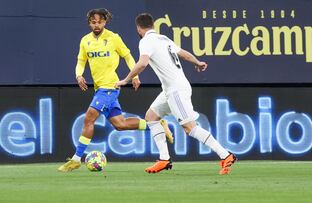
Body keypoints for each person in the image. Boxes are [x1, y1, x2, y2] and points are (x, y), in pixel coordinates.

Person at [116, 13, 237, 175]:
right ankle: (164, 159)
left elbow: (143, 63)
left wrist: (126, 79)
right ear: (153, 25)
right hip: (171, 89)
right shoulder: (163, 38)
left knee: (189, 128)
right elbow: (184, 54)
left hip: (176, 91)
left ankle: (226, 155)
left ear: (138, 28)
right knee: (151, 117)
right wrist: (197, 62)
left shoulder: (145, 41)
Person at [58, 9, 173, 172]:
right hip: (99, 89)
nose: (96, 25)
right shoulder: (85, 41)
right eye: (93, 22)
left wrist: (135, 75)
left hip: (110, 87)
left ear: (105, 22)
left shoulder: (113, 38)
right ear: (89, 23)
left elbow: (127, 56)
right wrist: (78, 75)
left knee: (89, 118)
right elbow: (81, 61)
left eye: (100, 22)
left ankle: (76, 159)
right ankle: (156, 124)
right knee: (120, 124)